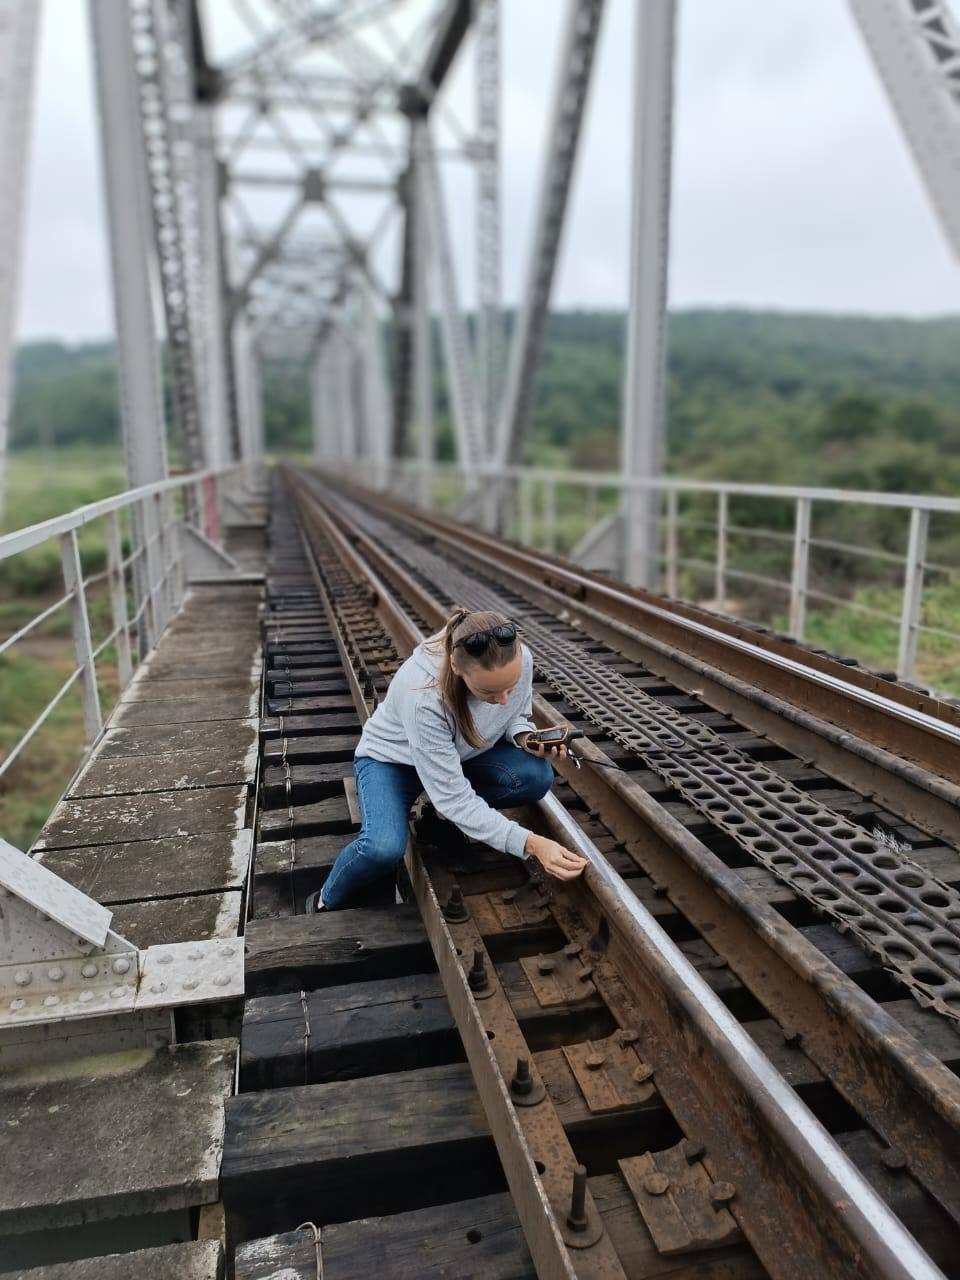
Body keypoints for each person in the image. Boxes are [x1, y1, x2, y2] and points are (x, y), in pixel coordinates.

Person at [308, 606, 588, 911]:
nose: (503, 699)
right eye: (490, 693)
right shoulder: (424, 697)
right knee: (382, 848)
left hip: (457, 755)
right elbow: (456, 799)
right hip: (393, 763)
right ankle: (325, 897)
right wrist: (531, 843)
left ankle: (437, 819)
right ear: (455, 666)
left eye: (510, 687)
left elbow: (515, 713)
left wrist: (525, 737)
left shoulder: (517, 659)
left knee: (535, 776)